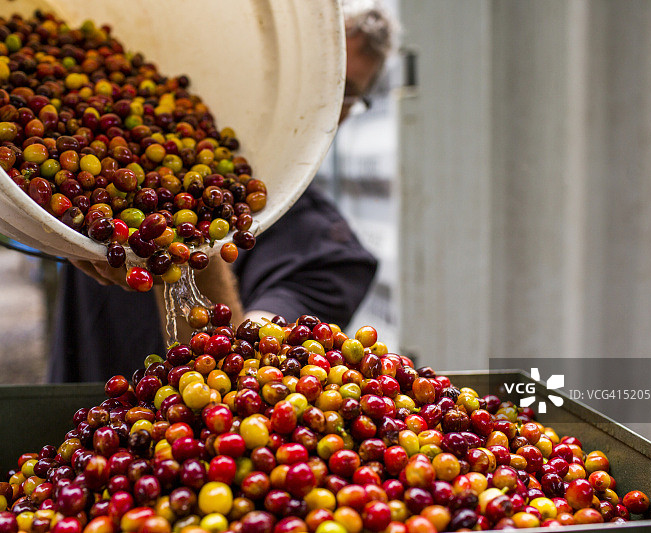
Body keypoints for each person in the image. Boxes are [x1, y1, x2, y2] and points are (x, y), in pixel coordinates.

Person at [47, 0, 399, 382]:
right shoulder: (111, 169)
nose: (321, 101)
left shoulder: (335, 259)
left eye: (344, 91)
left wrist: (192, 238)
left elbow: (240, 381)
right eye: (312, 75)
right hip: (76, 424)